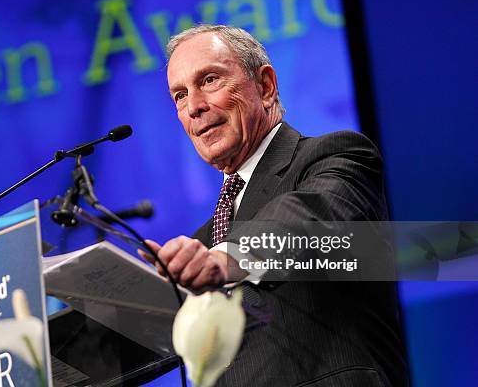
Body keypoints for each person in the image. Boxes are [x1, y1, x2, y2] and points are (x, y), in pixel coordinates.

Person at [139, 25, 408, 386]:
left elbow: (309, 219)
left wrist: (224, 260)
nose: (194, 107)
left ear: (265, 86)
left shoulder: (334, 157)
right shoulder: (203, 240)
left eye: (210, 80)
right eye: (180, 95)